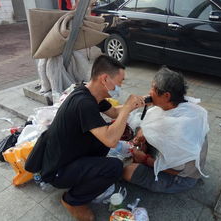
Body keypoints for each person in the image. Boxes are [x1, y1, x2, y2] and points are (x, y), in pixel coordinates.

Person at [39, 55, 145, 221]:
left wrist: (137, 103)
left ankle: (85, 177)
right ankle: (72, 200)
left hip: (67, 156)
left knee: (103, 142)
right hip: (58, 170)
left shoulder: (90, 94)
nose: (121, 86)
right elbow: (111, 139)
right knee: (115, 167)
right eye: (120, 81)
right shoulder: (84, 103)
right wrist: (126, 110)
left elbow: (115, 112)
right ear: (104, 79)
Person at [123, 67, 209, 193]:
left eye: (153, 88)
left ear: (166, 95)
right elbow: (151, 125)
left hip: (180, 177)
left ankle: (146, 163)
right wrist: (143, 135)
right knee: (141, 129)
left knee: (127, 171)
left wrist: (145, 159)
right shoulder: (178, 104)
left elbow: (176, 169)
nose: (149, 92)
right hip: (175, 158)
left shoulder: (180, 128)